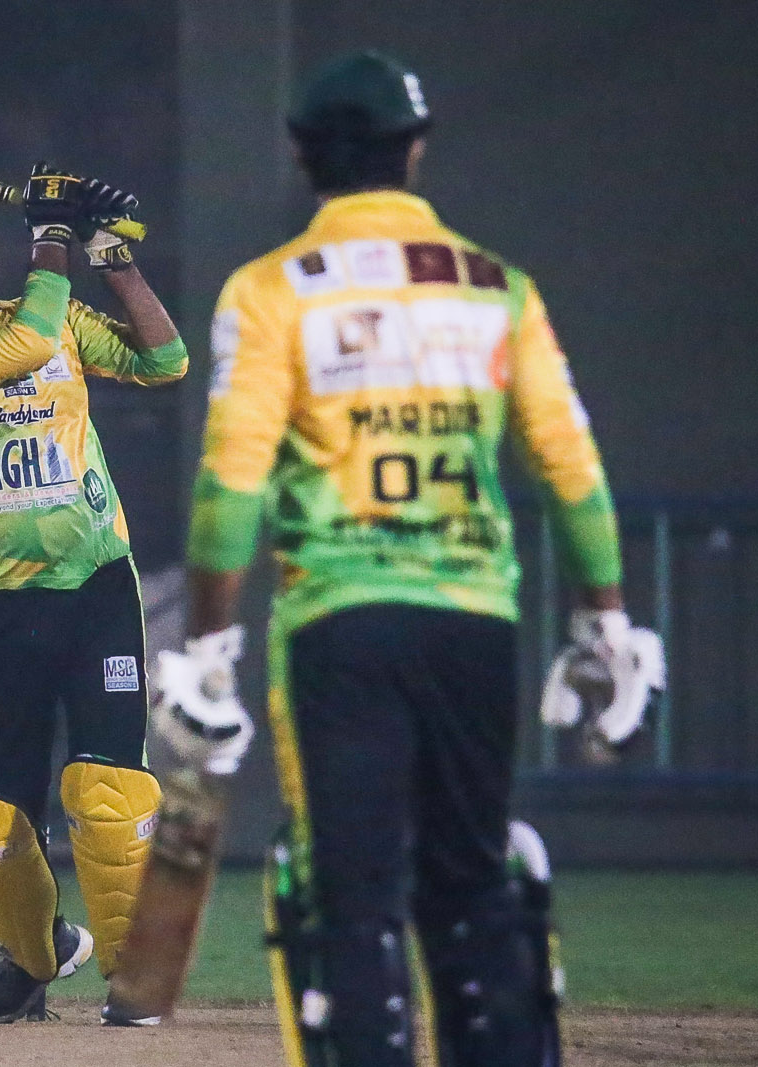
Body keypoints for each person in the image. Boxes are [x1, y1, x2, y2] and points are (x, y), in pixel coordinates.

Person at [152, 52, 663, 1066]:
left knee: (354, 892)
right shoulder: (497, 288)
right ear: (415, 149)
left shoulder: (271, 291)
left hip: (340, 624)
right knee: (470, 880)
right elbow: (571, 468)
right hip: (476, 620)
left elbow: (231, 482)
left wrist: (207, 645)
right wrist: (606, 623)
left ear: (301, 156)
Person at [0, 167, 187, 1023]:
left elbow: (165, 359)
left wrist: (111, 255)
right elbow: (21, 350)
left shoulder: (52, 316)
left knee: (109, 790)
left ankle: (136, 977)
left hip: (97, 586)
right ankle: (24, 965)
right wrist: (52, 237)